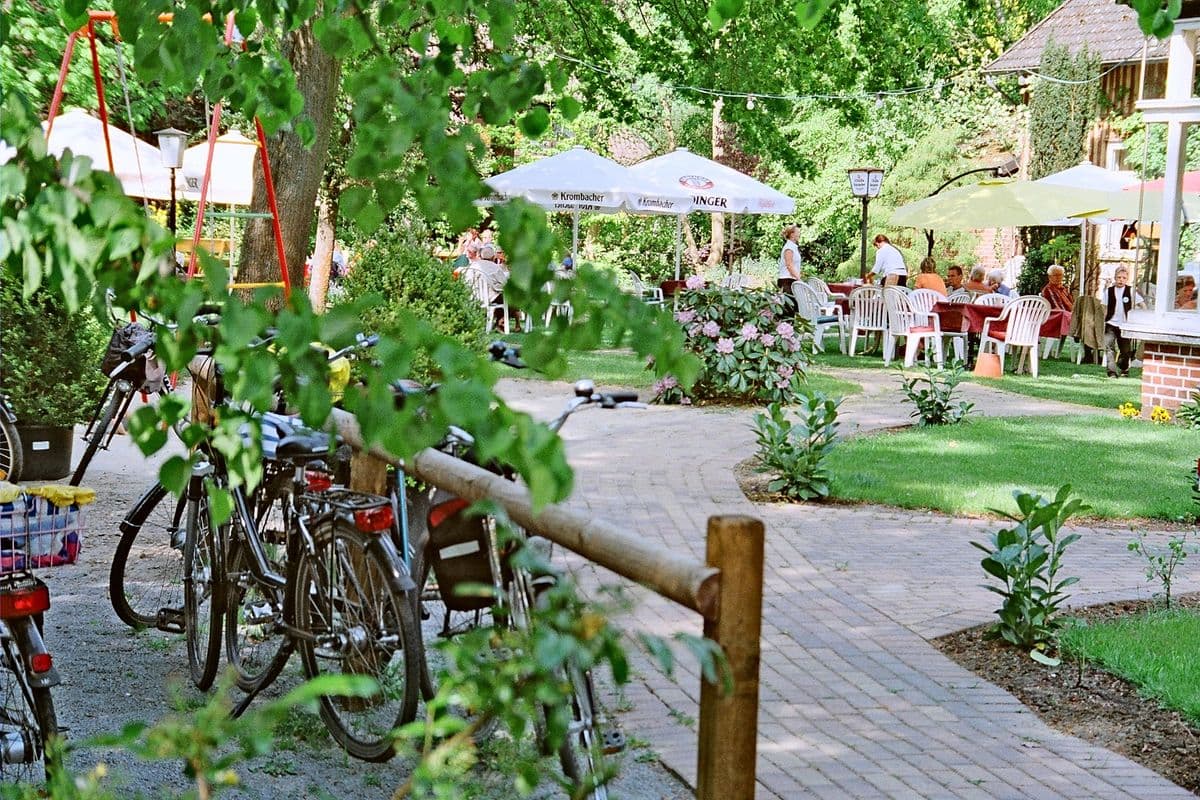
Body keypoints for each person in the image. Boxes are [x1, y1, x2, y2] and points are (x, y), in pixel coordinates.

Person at [1104, 266, 1142, 378]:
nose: (1121, 280)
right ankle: (1111, 372)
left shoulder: (1130, 291)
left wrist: (1140, 315)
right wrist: (1103, 320)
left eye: (1124, 278)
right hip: (1111, 323)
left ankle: (1124, 368)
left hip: (1125, 324)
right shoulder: (1109, 291)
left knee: (1125, 350)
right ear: (1115, 277)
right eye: (1119, 277)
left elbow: (1141, 303)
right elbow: (1104, 307)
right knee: (1109, 348)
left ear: (1127, 279)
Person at [777, 224, 802, 296]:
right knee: (790, 306)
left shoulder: (793, 247)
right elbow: (789, 265)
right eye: (797, 232)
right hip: (786, 281)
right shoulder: (789, 248)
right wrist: (799, 279)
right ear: (792, 234)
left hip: (791, 280)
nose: (799, 234)